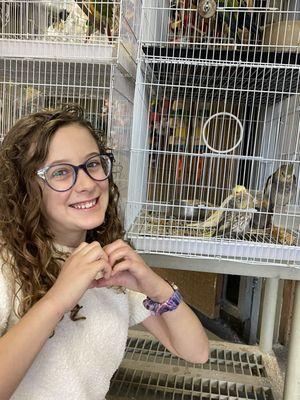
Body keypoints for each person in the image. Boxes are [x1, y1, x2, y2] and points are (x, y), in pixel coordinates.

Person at [0, 104, 209, 399]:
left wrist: (155, 286)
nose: (87, 183)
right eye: (61, 172)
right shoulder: (7, 264)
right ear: (25, 188)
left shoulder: (107, 262)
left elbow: (196, 351)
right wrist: (57, 300)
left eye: (93, 164)